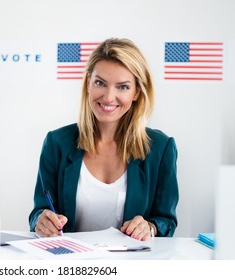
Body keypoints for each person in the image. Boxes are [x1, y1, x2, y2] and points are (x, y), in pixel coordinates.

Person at [29, 38, 179, 241]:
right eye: (100, 83)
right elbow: (38, 213)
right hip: (72, 265)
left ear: (136, 91)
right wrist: (41, 220)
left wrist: (150, 227)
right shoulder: (57, 143)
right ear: (88, 83)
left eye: (123, 87)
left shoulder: (161, 148)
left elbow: (166, 221)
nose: (109, 97)